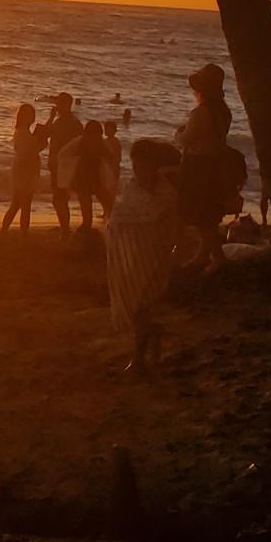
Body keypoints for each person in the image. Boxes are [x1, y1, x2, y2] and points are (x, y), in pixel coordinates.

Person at [105, 139, 180, 374]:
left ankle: (139, 357)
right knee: (137, 305)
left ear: (155, 165)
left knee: (141, 305)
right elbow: (120, 214)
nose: (138, 169)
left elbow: (166, 223)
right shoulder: (132, 187)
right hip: (131, 255)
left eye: (143, 164)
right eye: (135, 165)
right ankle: (151, 339)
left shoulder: (166, 192)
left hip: (154, 256)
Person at [174, 64, 235, 273]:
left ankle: (218, 258)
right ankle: (203, 255)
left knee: (199, 214)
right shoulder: (224, 112)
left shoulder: (201, 113)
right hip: (215, 164)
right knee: (207, 213)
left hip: (198, 166)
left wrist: (178, 133)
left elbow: (186, 139)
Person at [0, 103, 46, 233]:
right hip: (23, 170)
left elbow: (34, 148)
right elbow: (30, 149)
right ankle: (22, 233)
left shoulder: (25, 132)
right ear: (22, 116)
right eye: (29, 114)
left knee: (17, 205)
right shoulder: (21, 132)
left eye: (33, 114)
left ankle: (5, 230)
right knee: (24, 205)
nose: (32, 117)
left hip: (25, 170)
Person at [59, 119, 108, 234]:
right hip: (82, 175)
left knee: (103, 199)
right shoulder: (80, 142)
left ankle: (106, 219)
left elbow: (109, 158)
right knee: (86, 201)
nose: (95, 138)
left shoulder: (100, 143)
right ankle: (87, 224)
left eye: (97, 135)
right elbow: (63, 154)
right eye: (93, 135)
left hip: (94, 175)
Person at [44, 92, 83, 233]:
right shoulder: (71, 122)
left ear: (66, 105)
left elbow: (45, 133)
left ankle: (65, 228)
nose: (57, 106)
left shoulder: (66, 122)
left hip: (62, 166)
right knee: (61, 198)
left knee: (59, 199)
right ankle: (64, 226)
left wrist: (51, 117)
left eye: (60, 103)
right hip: (62, 165)